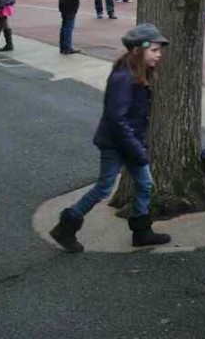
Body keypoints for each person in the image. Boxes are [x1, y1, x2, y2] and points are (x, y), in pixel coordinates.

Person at [48, 23, 173, 253]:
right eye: (154, 50)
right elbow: (117, 120)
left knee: (145, 184)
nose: (159, 55)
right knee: (104, 188)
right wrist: (137, 150)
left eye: (159, 50)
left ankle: (141, 232)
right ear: (138, 50)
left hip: (131, 143)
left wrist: (137, 146)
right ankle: (66, 226)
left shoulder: (139, 74)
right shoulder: (123, 78)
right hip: (116, 144)